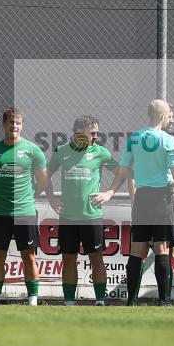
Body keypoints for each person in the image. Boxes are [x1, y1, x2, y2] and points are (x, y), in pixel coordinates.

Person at [97, 100, 174, 305]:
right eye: (169, 114)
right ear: (161, 116)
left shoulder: (135, 138)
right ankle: (164, 300)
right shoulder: (168, 140)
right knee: (162, 248)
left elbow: (124, 171)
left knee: (137, 249)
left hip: (142, 198)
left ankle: (131, 301)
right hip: (163, 197)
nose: (171, 118)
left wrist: (110, 191)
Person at [46, 115, 118, 306]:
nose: (96, 137)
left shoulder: (101, 152)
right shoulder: (61, 151)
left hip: (92, 216)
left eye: (97, 133)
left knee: (97, 258)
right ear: (79, 132)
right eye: (92, 133)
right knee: (68, 259)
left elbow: (122, 172)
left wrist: (109, 193)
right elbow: (45, 174)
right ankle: (69, 303)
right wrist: (52, 198)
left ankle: (100, 301)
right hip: (68, 217)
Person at [0, 108, 47, 306]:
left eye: (18, 123)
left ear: (23, 125)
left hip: (25, 212)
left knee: (29, 257)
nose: (14, 126)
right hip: (1, 212)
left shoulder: (33, 150)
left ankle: (33, 301)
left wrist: (28, 196)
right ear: (4, 125)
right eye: (11, 122)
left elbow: (43, 181)